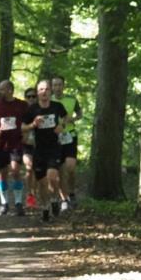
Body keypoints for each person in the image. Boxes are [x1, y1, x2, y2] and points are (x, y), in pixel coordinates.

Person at [22, 79, 68, 223]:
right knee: (42, 183)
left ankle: (55, 199)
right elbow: (22, 127)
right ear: (37, 92)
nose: (44, 92)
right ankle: (46, 208)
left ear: (50, 92)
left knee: (52, 176)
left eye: (47, 89)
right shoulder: (32, 109)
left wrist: (62, 125)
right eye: (41, 90)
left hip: (54, 147)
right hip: (39, 149)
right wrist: (33, 124)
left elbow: (66, 117)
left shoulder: (57, 106)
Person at [0, 80, 29, 216]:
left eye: (2, 89)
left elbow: (28, 121)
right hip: (1, 144)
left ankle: (18, 203)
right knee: (3, 172)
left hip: (16, 143)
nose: (0, 92)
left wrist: (26, 133)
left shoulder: (22, 105)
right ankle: (4, 203)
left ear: (10, 89)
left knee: (15, 170)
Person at [51, 75, 81, 211]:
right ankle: (64, 199)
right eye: (55, 85)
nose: (57, 87)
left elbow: (79, 114)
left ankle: (72, 192)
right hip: (54, 138)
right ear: (52, 87)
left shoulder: (71, 100)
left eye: (59, 85)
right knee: (60, 171)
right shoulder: (48, 100)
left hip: (70, 136)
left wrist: (72, 119)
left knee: (71, 168)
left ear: (64, 86)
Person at [21, 86, 38, 209]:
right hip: (25, 144)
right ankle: (30, 196)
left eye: (34, 96)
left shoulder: (42, 110)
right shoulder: (22, 112)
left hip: (40, 145)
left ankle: (35, 195)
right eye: (29, 96)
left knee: (37, 171)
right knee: (29, 167)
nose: (31, 98)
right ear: (25, 98)